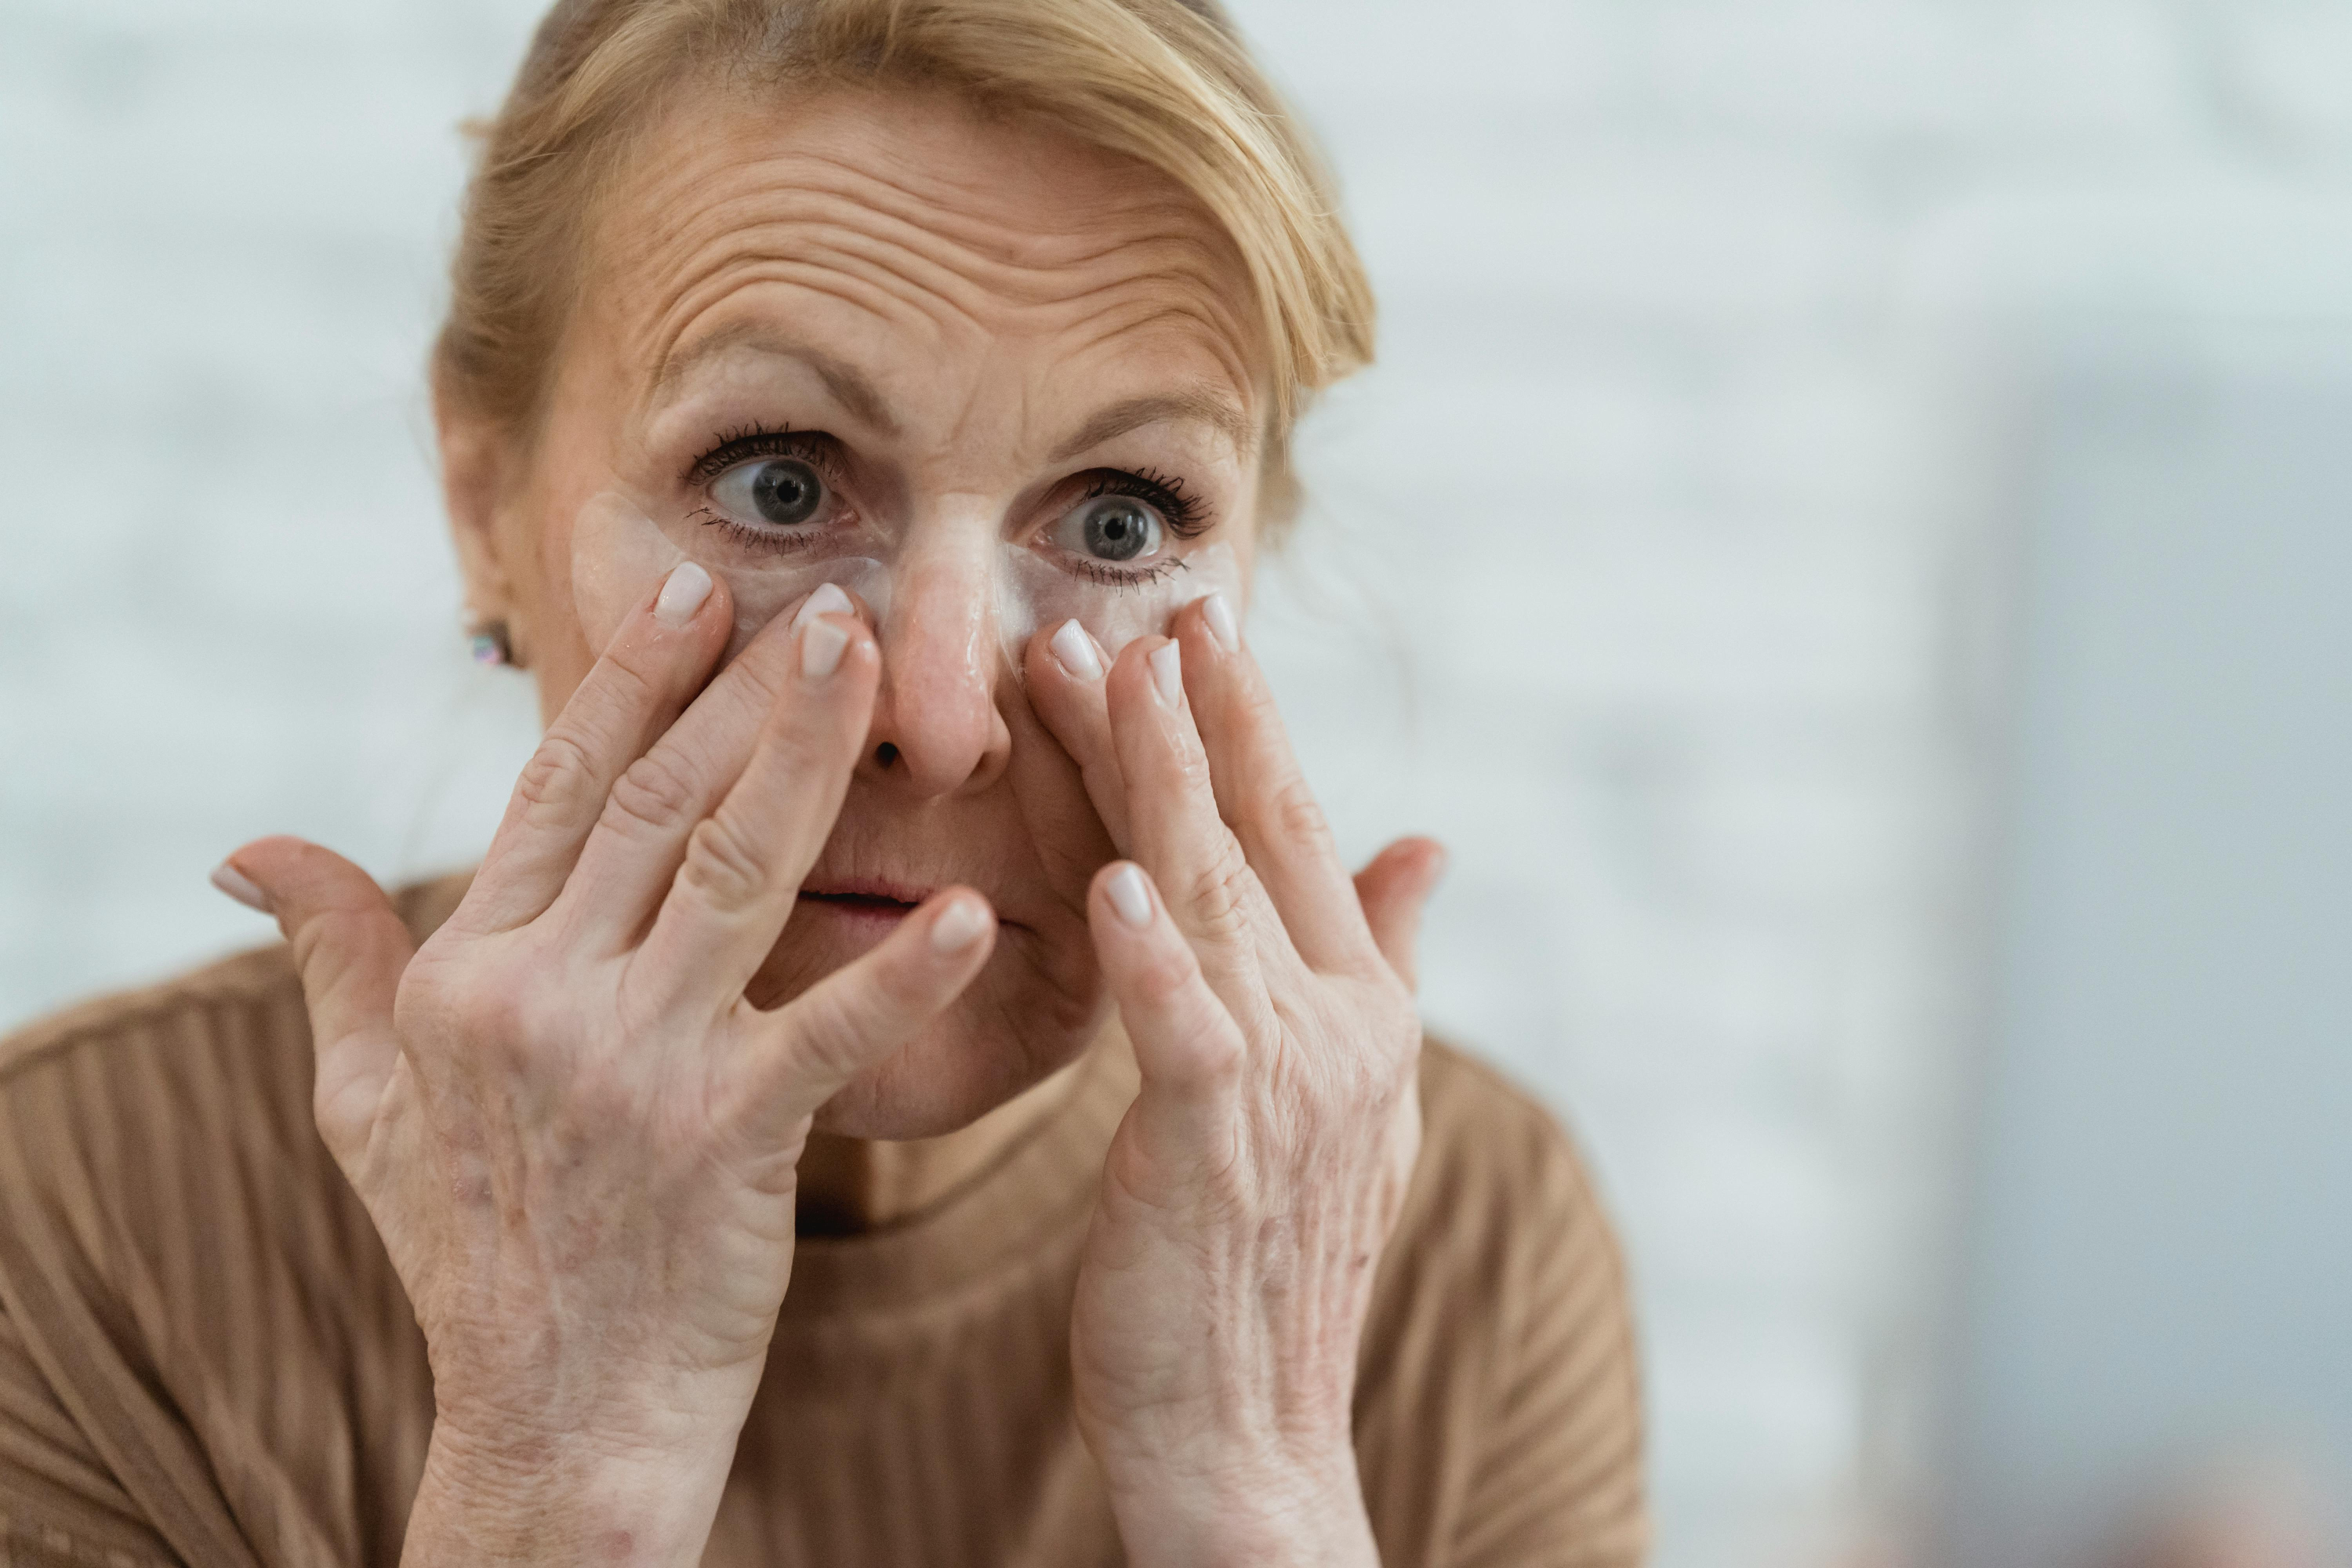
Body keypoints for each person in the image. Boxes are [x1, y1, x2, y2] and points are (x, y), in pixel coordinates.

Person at [0, 2, 1645, 1563]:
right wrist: (554, 1476)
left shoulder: (1462, 1256)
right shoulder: (79, 1224)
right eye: (777, 484)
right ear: (483, 502)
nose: (937, 717)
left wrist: (1261, 1492)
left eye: (1120, 519)